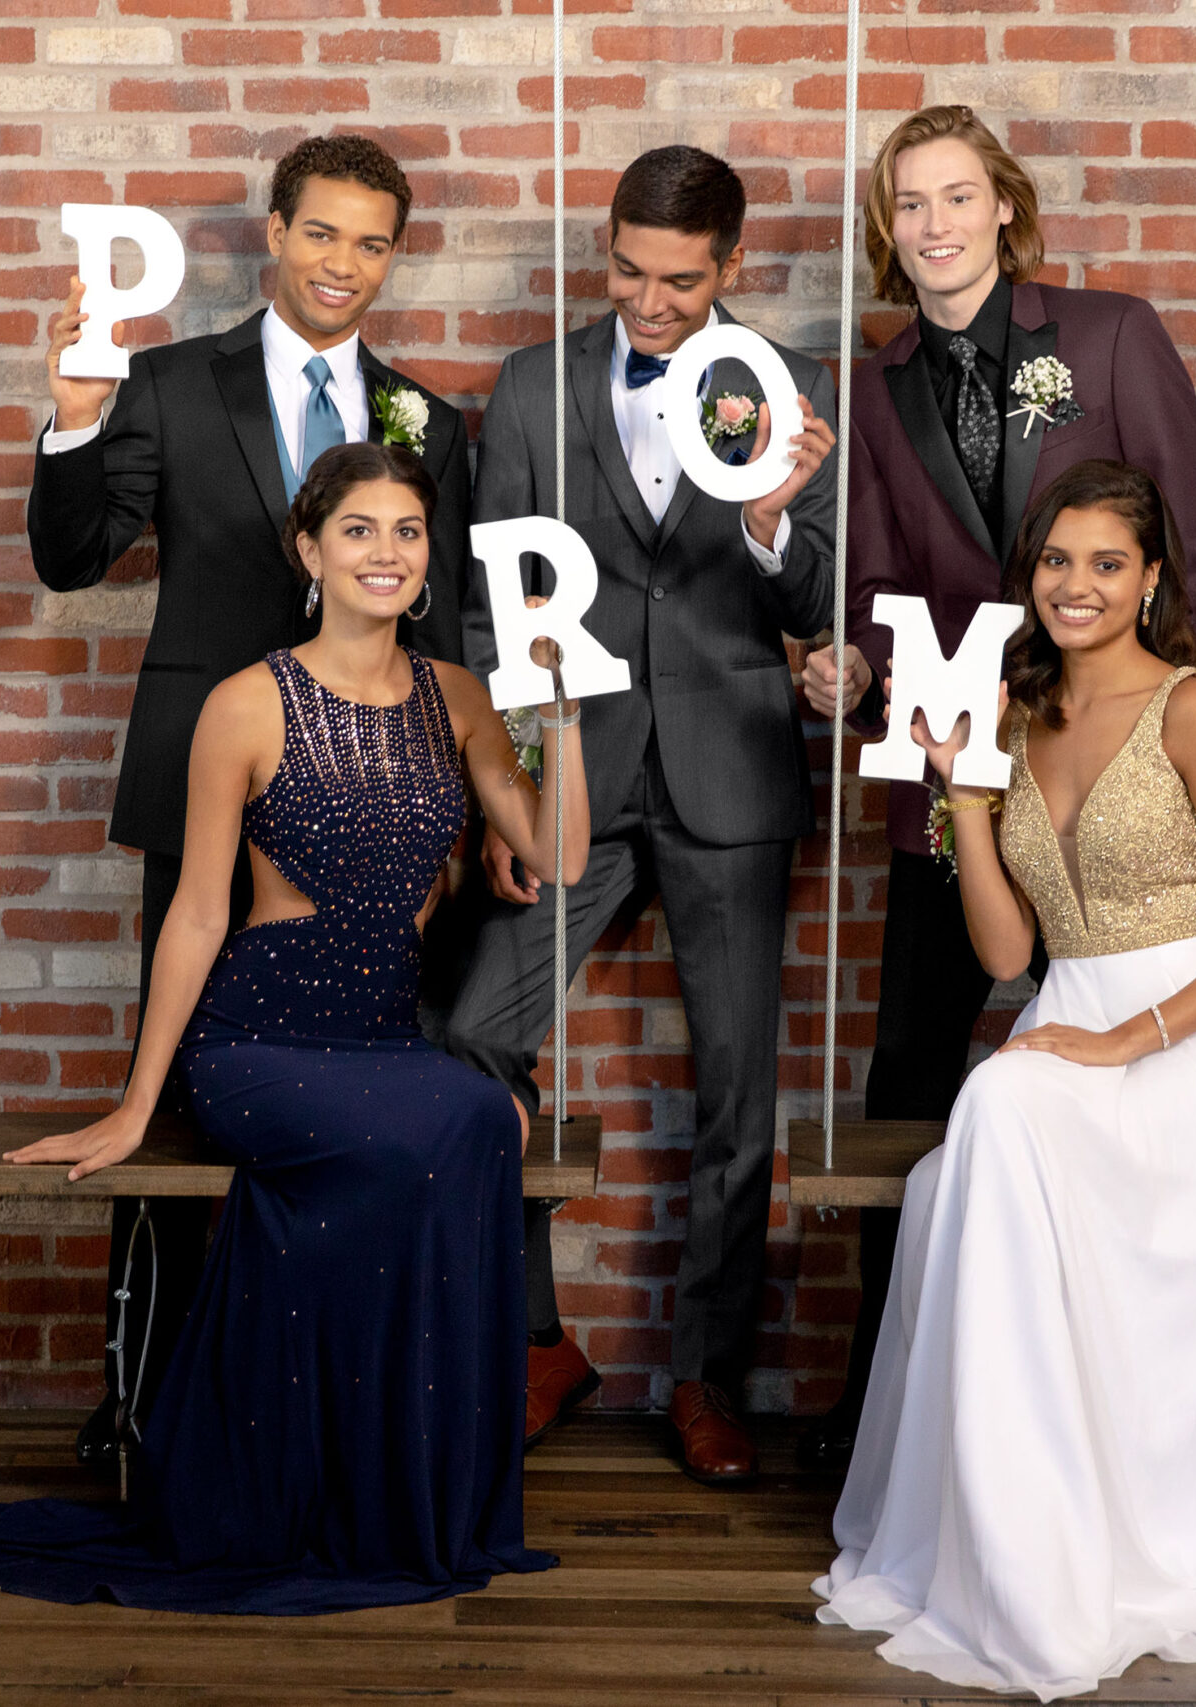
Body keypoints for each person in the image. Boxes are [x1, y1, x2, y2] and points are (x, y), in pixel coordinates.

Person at [0, 443, 579, 1613]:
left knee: (476, 1116)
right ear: (309, 551)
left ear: (428, 559)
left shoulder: (461, 699)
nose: (386, 552)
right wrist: (138, 1102)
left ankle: (391, 1489)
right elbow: (194, 913)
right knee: (456, 1124)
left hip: (378, 1041)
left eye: (407, 532)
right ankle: (312, 1480)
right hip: (258, 1044)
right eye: (361, 530)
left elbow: (559, 853)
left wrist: (561, 710)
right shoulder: (246, 702)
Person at [813, 460, 1196, 1696]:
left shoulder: (1189, 710)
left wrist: (1124, 1043)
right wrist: (962, 799)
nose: (1075, 586)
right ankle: (1018, 1540)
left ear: (1151, 579)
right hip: (1065, 1018)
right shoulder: (1015, 718)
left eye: (1105, 564)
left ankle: (1068, 1541)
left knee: (997, 1106)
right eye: (1055, 562)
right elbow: (1012, 954)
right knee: (990, 1131)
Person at [795, 105, 1196, 1470]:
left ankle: (1138, 1412)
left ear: (1004, 206)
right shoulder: (874, 389)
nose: (931, 225)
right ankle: (889, 1406)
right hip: (957, 780)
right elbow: (873, 587)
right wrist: (847, 672)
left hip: (1120, 784)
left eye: (953, 197)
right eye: (907, 206)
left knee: (1129, 1080)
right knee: (910, 1088)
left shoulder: (1110, 337)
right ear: (890, 230)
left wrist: (1189, 765)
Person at [25, 134, 473, 1469]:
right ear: (274, 232)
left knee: (354, 1102)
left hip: (378, 815)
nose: (345, 263)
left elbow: (445, 624)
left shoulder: (426, 420)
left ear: (395, 253)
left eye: (372, 241)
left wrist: (480, 806)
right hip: (208, 783)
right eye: (322, 232)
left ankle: (329, 1405)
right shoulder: (161, 382)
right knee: (164, 1109)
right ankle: (141, 1409)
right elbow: (70, 557)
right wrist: (73, 417)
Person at [439, 145, 839, 1485]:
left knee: (736, 1096)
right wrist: (508, 781)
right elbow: (496, 612)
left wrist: (780, 521)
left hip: (731, 775)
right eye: (628, 269)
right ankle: (542, 1340)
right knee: (471, 1039)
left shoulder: (787, 395)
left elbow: (821, 608)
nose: (650, 299)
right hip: (577, 777)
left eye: (681, 277)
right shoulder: (534, 386)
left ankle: (710, 1372)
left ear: (732, 267)